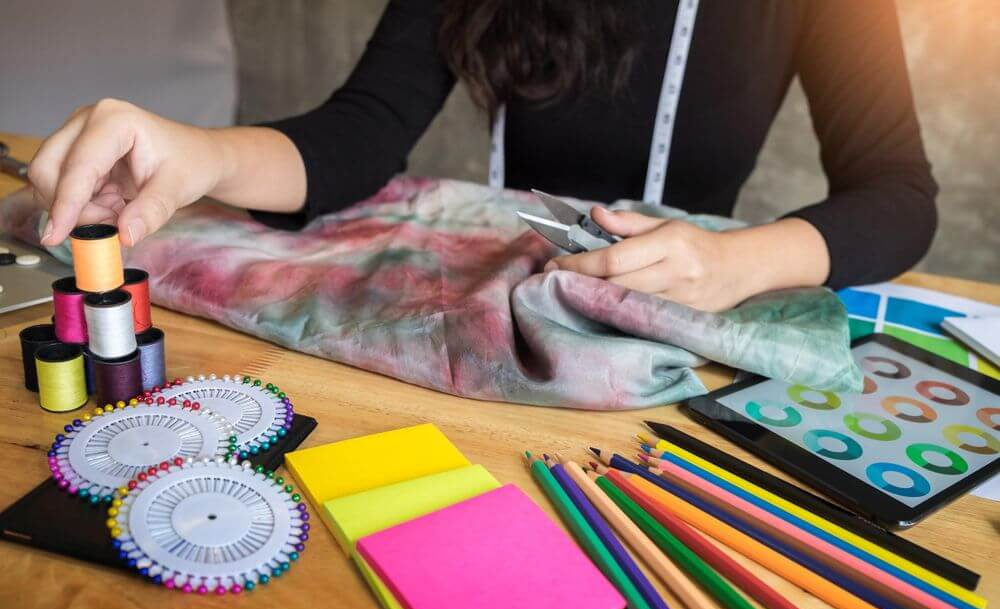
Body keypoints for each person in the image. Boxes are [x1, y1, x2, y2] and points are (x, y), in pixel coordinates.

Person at [26, 0, 936, 312]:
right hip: (509, 307)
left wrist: (733, 261)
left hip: (686, 357)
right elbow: (358, 135)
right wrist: (200, 156)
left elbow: (897, 195)